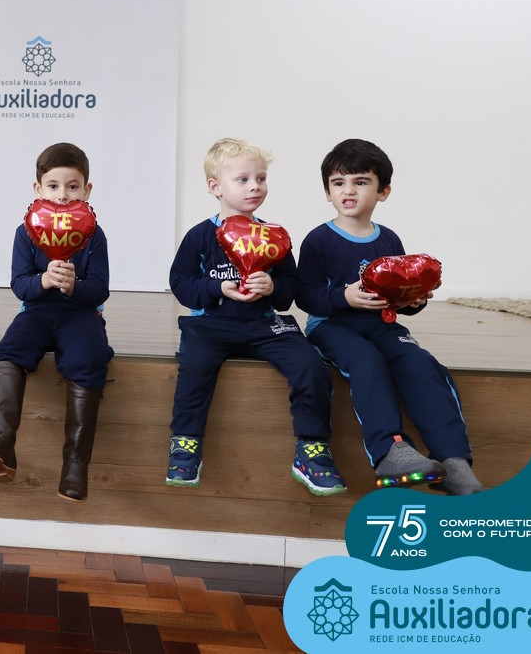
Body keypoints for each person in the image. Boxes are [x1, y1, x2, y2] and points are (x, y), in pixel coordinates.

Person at [296, 138, 483, 495]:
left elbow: (398, 296)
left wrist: (414, 299)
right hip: (331, 326)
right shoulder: (319, 240)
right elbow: (304, 295)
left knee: (420, 363)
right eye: (338, 183)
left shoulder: (390, 240)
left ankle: (453, 460)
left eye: (361, 182)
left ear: (383, 191)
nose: (349, 191)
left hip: (382, 325)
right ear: (327, 192)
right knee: (367, 361)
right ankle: (390, 452)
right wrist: (343, 297)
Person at [166, 137, 346, 496]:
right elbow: (181, 283)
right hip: (211, 324)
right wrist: (217, 288)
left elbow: (290, 289)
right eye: (243, 179)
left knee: (310, 364)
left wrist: (273, 287)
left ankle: (312, 449)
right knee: (195, 366)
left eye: (261, 179)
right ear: (215, 187)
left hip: (264, 325)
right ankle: (185, 443)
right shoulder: (201, 236)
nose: (255, 187)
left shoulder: (273, 236)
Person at [0, 142, 113, 501]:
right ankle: (1, 443)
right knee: (9, 351)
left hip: (80, 314)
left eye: (72, 186)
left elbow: (100, 290)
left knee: (88, 359)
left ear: (87, 190)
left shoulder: (94, 234)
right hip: (36, 312)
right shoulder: (26, 232)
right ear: (38, 189)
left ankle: (75, 465)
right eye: (53, 186)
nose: (62, 195)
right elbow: (20, 284)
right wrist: (44, 280)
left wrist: (75, 287)